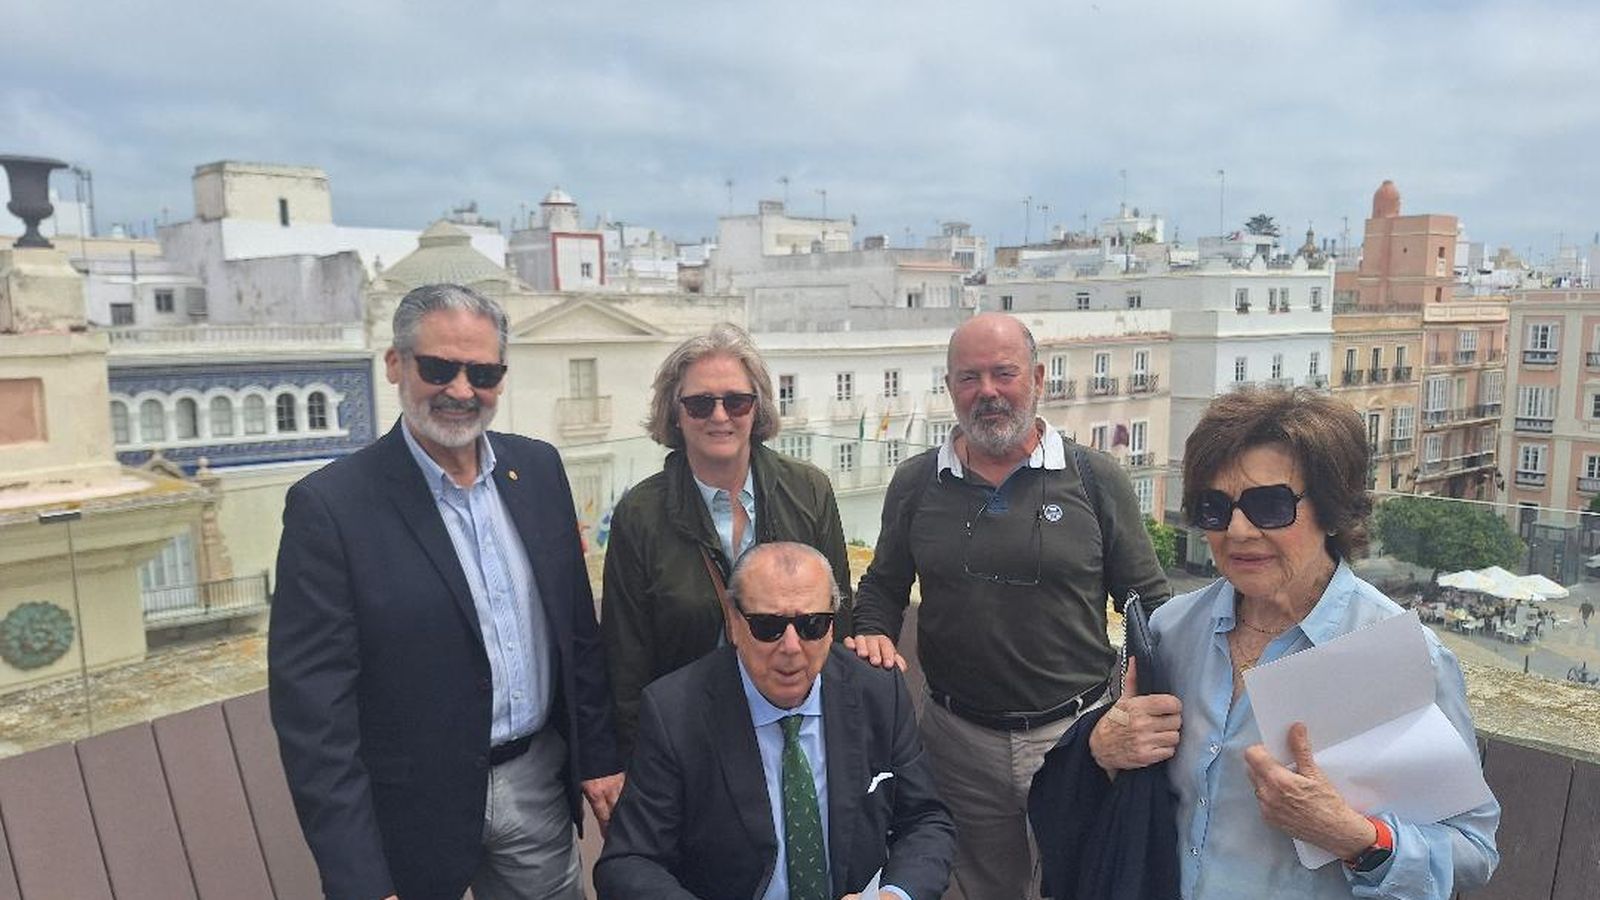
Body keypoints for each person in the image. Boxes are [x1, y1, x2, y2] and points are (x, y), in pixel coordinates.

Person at [269, 284, 623, 900]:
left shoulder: (538, 470)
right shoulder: (331, 508)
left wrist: (597, 756)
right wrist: (357, 879)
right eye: (439, 367)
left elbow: (574, 632)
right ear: (395, 364)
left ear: (500, 380)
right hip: (409, 814)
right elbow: (315, 720)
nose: (461, 390)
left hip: (535, 782)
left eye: (482, 372)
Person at [1090, 387, 1500, 899]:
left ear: (1330, 509)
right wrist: (1104, 750)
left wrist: (1354, 837)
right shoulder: (1172, 630)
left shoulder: (1399, 656)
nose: (1237, 530)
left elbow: (1471, 850)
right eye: (1214, 508)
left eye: (1269, 504)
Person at [849, 312, 1170, 898]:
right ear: (950, 388)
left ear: (1038, 379)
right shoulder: (917, 482)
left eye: (1004, 373)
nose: (988, 392)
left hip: (1077, 735)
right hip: (956, 742)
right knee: (982, 884)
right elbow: (883, 585)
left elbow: (1147, 602)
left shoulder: (1093, 478)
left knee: (1079, 876)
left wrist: (1138, 700)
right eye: (970, 378)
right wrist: (871, 632)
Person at [595, 542, 956, 900]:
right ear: (735, 623)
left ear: (832, 625)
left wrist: (893, 896)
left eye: (812, 624)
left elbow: (925, 822)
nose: (791, 646)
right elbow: (629, 862)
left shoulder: (877, 692)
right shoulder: (676, 711)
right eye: (768, 626)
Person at [602, 322, 853, 758]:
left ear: (757, 409)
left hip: (796, 728)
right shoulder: (640, 515)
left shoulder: (808, 491)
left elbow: (836, 614)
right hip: (689, 738)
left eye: (736, 401)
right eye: (700, 404)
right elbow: (626, 657)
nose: (720, 416)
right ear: (675, 414)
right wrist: (630, 762)